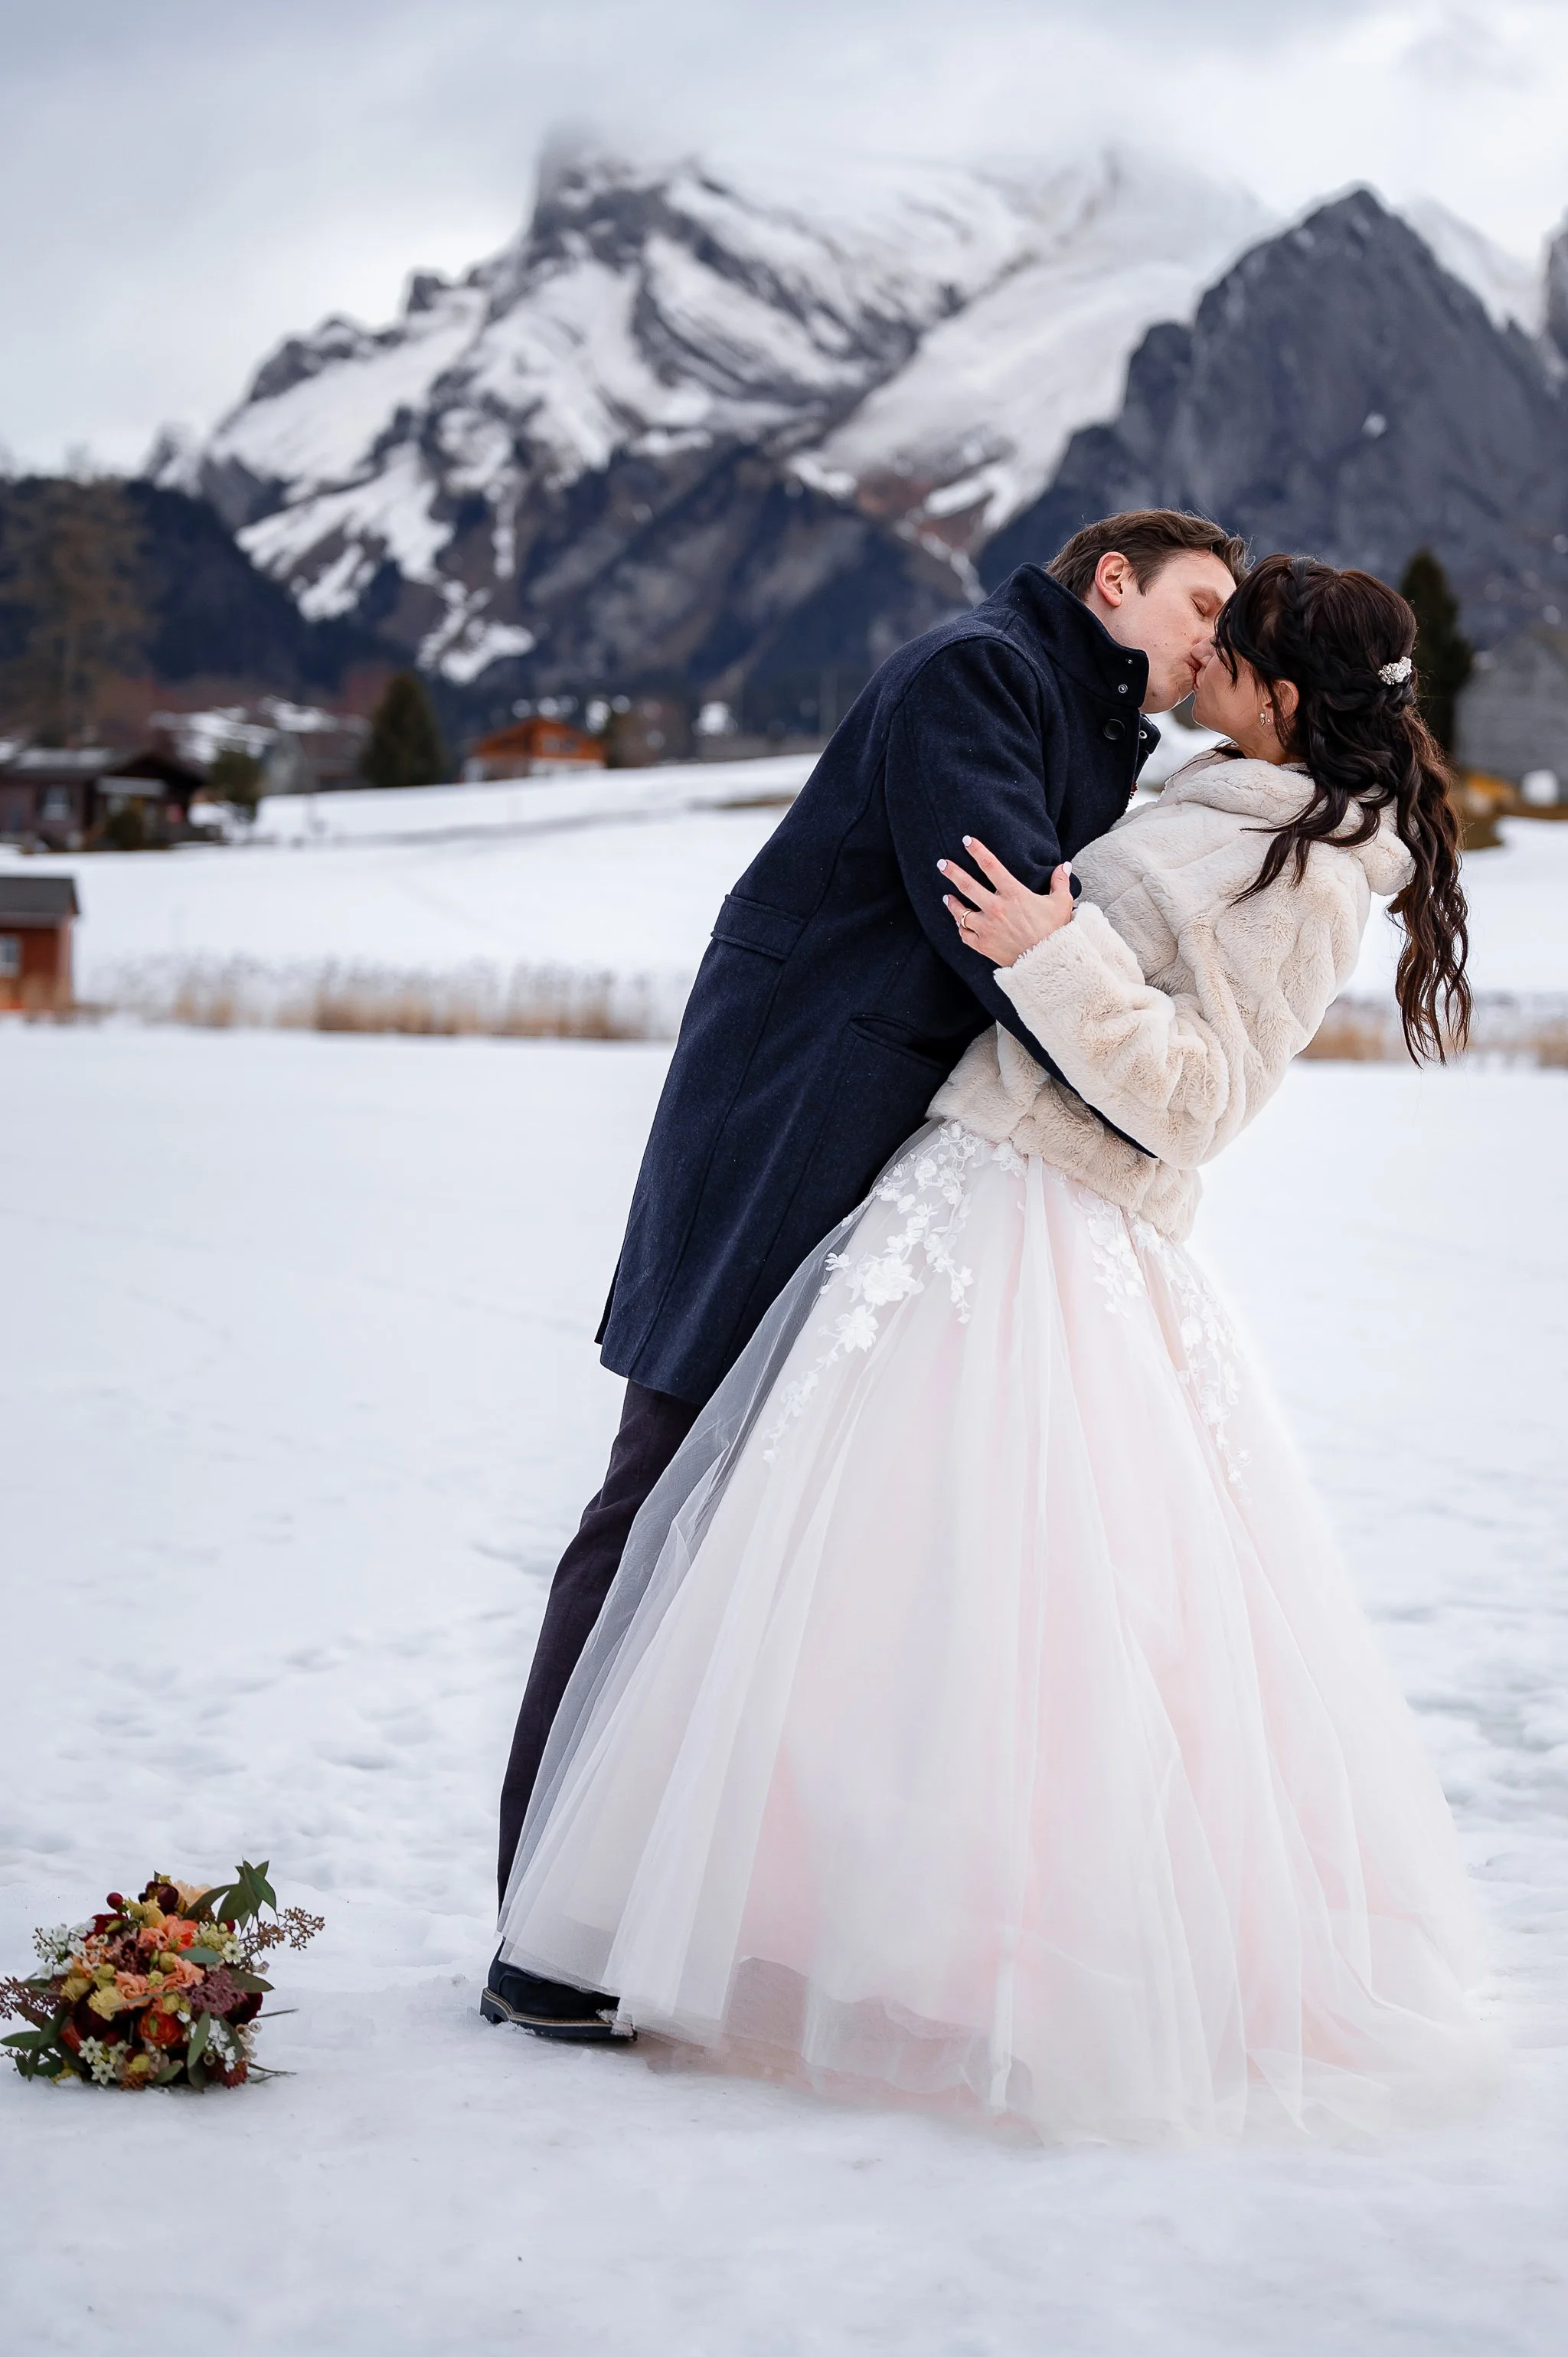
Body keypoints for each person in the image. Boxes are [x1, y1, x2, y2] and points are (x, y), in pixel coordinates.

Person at [492, 555, 1488, 2143]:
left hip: (1050, 1226)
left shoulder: (1306, 871)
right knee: (852, 1594)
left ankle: (973, 1960)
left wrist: (1050, 948)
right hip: (962, 1192)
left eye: (1232, 641)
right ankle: (759, 1925)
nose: (1207, 655)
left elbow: (1200, 1100)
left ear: (1285, 697)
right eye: (1204, 617)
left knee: (1016, 1611)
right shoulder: (1210, 793)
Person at [488, 509, 1246, 2036]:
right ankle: (542, 1917)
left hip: (884, 1140)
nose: (1211, 642)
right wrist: (1143, 1087)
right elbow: (996, 915)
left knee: (785, 1528)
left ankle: (678, 1905)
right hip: (792, 1117)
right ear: (1115, 581)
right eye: (1200, 605)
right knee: (666, 1482)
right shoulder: (982, 674)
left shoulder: (1083, 710)